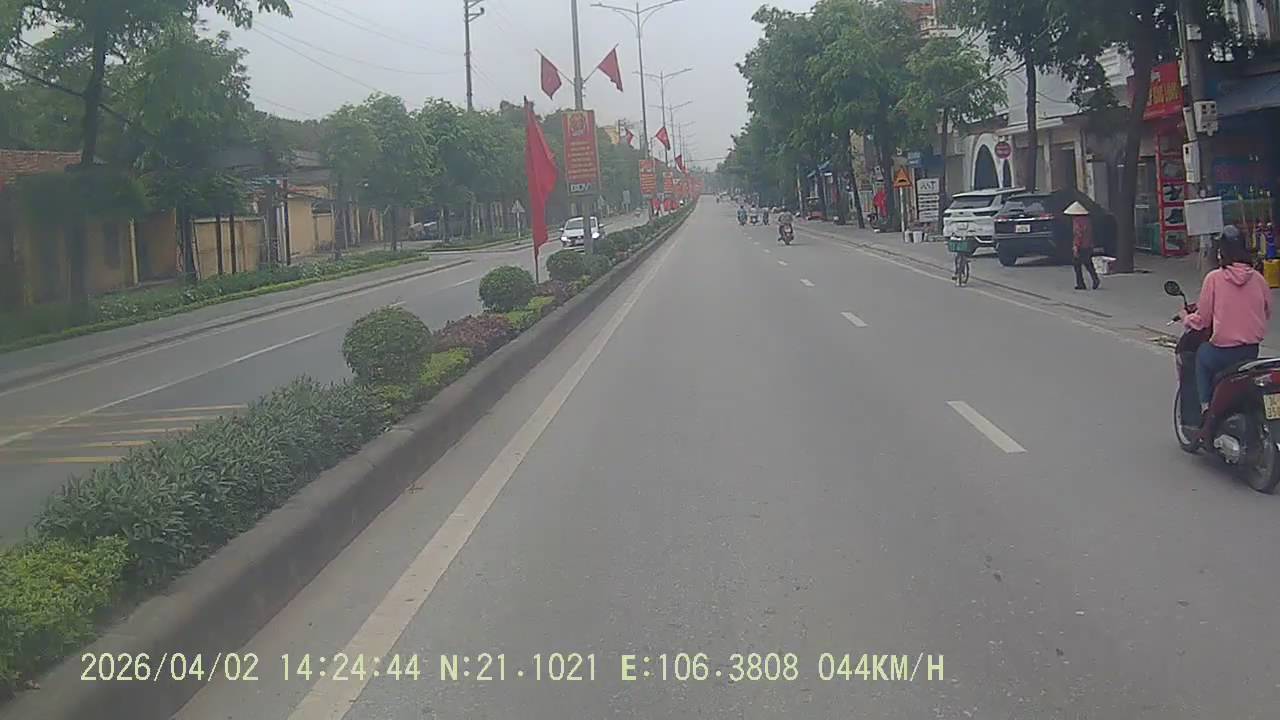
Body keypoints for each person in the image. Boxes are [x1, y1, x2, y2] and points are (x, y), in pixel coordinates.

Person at [1182, 225, 1273, 410]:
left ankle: (1206, 407)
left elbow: (1203, 320)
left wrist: (1186, 318)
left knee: (1202, 356)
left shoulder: (1214, 279)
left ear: (1221, 252)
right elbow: (1267, 311)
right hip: (1250, 351)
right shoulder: (1259, 279)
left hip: (1222, 352)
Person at [1066, 201, 1101, 290]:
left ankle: (1081, 283)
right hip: (1088, 245)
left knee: (1077, 265)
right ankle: (1095, 279)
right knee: (1088, 263)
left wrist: (1075, 246)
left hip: (1081, 246)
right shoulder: (1088, 220)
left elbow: (1078, 234)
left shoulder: (1077, 221)